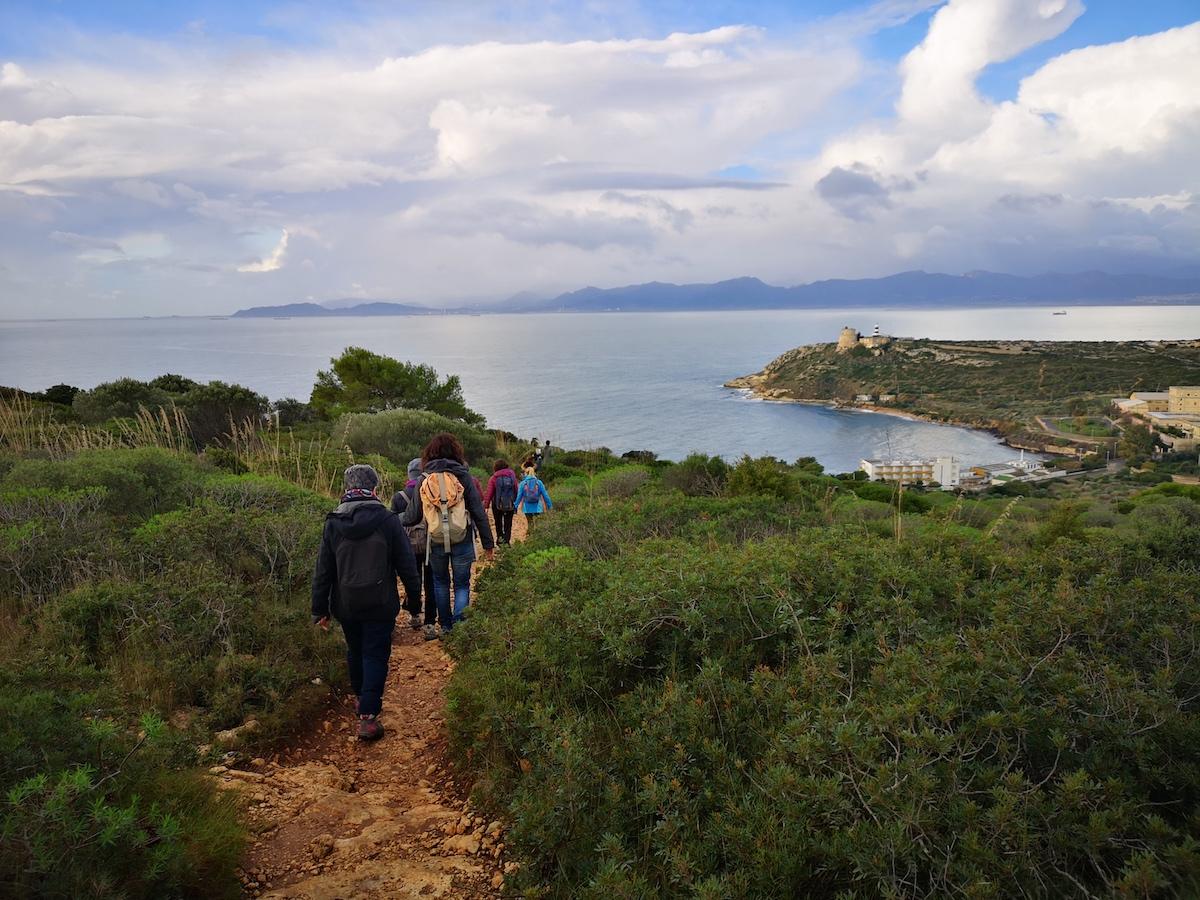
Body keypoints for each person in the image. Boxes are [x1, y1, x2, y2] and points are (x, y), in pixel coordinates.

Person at [312, 464, 420, 741]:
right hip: (380, 602)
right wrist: (414, 598)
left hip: (345, 603)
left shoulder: (333, 521)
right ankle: (369, 717)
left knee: (355, 650)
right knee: (375, 653)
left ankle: (361, 699)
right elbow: (406, 563)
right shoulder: (387, 519)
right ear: (374, 489)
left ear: (346, 489)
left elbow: (324, 569)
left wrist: (320, 609)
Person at [401, 433, 495, 636]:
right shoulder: (464, 477)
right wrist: (488, 544)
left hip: (434, 541)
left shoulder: (423, 479)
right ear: (456, 452)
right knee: (461, 584)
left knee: (440, 582)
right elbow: (478, 512)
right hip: (462, 538)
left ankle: (445, 627)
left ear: (430, 453)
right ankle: (460, 627)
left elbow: (410, 517)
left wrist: (389, 517)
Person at [391, 457, 436, 636]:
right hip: (430, 544)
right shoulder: (430, 492)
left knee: (412, 581)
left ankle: (415, 613)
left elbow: (393, 524)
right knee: (432, 582)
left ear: (409, 475)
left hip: (407, 547)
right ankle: (431, 622)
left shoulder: (398, 497)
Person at [482, 458, 518, 545]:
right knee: (508, 523)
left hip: (497, 504)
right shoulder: (512, 475)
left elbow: (489, 493)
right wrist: (515, 501)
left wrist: (486, 506)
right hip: (510, 503)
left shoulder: (494, 478)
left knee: (498, 523)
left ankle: (500, 540)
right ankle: (507, 541)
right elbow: (516, 489)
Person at [514, 464, 553, 529]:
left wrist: (515, 506)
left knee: (530, 523)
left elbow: (519, 497)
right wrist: (550, 506)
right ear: (534, 473)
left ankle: (530, 536)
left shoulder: (523, 483)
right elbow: (545, 495)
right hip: (538, 506)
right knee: (538, 524)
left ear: (526, 474)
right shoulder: (539, 482)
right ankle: (538, 537)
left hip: (527, 508)